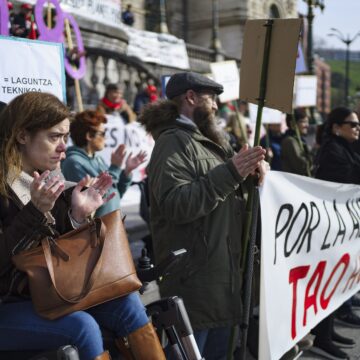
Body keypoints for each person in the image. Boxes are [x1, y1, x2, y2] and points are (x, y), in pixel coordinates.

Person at [0, 92, 165, 360]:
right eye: (54, 137)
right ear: (22, 136)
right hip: (10, 305)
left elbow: (64, 260)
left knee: (127, 300)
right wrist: (35, 212)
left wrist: (79, 215)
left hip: (47, 296)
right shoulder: (6, 186)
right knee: (82, 327)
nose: (63, 147)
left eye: (65, 137)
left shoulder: (52, 180)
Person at [139, 72, 267, 359]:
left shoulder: (202, 140)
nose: (215, 105)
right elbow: (177, 205)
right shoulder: (173, 142)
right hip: (195, 282)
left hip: (219, 278)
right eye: (211, 98)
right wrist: (232, 172)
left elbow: (220, 196)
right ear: (191, 98)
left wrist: (249, 177)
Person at [311, 107, 360, 360]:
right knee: (329, 280)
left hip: (343, 227)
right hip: (331, 228)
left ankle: (327, 332)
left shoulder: (347, 147)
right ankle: (322, 336)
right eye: (352, 124)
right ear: (336, 127)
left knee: (338, 279)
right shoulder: (332, 151)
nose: (356, 129)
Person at [62, 110, 146, 217]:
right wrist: (115, 167)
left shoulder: (97, 158)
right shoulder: (73, 163)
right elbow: (95, 200)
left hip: (112, 225)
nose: (105, 138)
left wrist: (126, 172)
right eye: (103, 133)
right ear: (89, 136)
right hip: (97, 230)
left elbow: (115, 193)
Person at [281, 108, 312, 176]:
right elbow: (301, 167)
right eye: (303, 122)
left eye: (307, 122)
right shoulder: (290, 141)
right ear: (292, 124)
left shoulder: (299, 140)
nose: (307, 125)